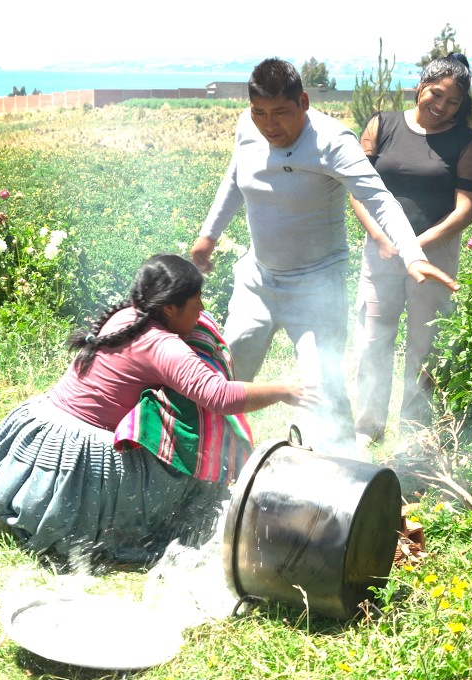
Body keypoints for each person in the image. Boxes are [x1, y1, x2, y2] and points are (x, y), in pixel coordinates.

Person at [0, 254, 316, 563]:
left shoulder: (126, 317)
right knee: (179, 469)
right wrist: (283, 389)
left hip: (40, 423)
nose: (202, 310)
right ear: (169, 307)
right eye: (196, 301)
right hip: (78, 448)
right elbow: (219, 397)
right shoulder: (163, 346)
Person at [191, 57, 457, 457]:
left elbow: (379, 200)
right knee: (226, 376)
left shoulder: (333, 142)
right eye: (259, 112)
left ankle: (344, 483)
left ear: (304, 101)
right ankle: (209, 464)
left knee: (321, 388)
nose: (269, 124)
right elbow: (234, 177)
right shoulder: (248, 128)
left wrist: (412, 255)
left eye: (280, 112)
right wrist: (208, 235)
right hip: (257, 282)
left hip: (316, 288)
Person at [350, 53, 472, 452]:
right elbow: (359, 190)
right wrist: (380, 238)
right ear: (420, 85)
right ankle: (368, 426)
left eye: (453, 102)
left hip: (435, 256)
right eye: (436, 93)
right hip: (380, 249)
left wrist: (413, 247)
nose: (442, 106)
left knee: (425, 345)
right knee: (373, 338)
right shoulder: (382, 125)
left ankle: (413, 432)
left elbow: (465, 210)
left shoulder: (467, 143)